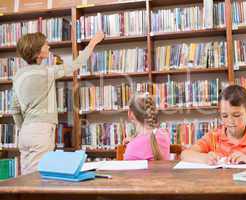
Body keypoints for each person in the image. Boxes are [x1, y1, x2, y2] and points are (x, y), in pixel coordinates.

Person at [11, 31, 105, 175]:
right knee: (37, 179)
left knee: (25, 179)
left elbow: (15, 109)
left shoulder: (18, 75)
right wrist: (93, 42)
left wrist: (23, 128)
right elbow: (77, 63)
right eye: (45, 44)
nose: (48, 46)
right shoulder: (47, 72)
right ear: (37, 52)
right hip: (41, 131)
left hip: (24, 133)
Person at [124, 94, 170, 160]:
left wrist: (133, 142)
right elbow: (147, 141)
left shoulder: (132, 148)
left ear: (130, 114)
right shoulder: (164, 134)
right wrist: (134, 140)